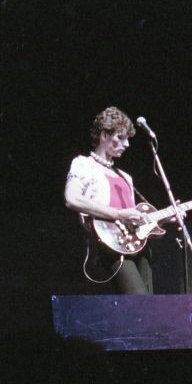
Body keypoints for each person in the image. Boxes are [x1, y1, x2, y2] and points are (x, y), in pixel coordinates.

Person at [64, 106, 152, 294]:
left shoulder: (126, 177)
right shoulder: (84, 164)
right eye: (121, 138)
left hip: (134, 243)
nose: (127, 144)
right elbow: (71, 198)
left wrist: (164, 217)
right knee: (139, 300)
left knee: (150, 306)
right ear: (104, 136)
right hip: (108, 245)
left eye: (127, 139)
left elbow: (132, 217)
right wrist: (118, 214)